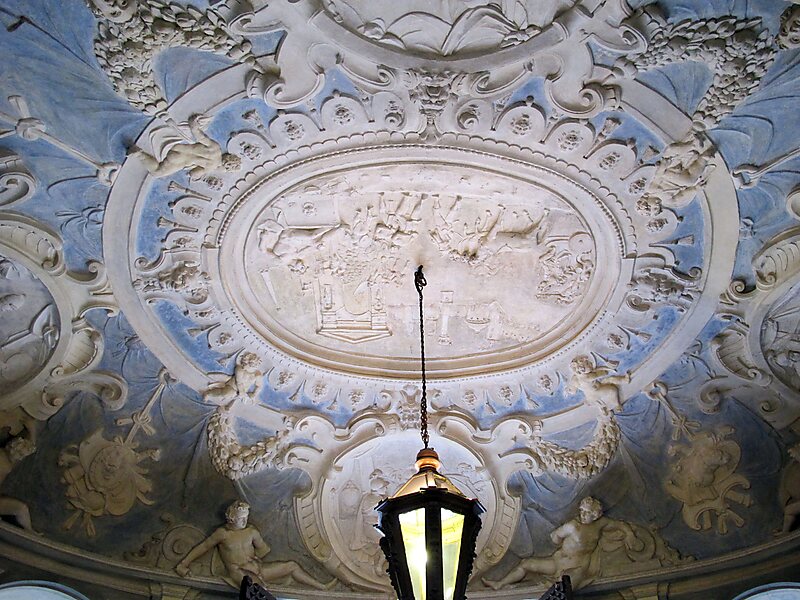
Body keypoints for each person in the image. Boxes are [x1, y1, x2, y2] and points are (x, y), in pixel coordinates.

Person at [482, 497, 643, 590]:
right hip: (558, 561)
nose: (583, 514)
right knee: (525, 564)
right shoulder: (572, 526)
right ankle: (500, 584)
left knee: (562, 586)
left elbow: (619, 524)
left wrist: (629, 534)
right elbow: (555, 537)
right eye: (582, 511)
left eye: (587, 512)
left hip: (578, 567)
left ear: (596, 515)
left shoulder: (600, 524)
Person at [176, 501, 335, 590]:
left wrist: (255, 559)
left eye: (246, 518)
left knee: (291, 565)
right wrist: (183, 564)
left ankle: (321, 586)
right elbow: (203, 547)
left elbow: (264, 549)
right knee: (257, 588)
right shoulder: (223, 533)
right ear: (231, 518)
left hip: (257, 568)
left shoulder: (251, 531)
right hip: (238, 572)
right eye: (241, 518)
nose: (244, 521)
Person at [131, 114, 241, 180]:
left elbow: (201, 137)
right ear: (226, 167)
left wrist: (194, 127)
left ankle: (139, 153)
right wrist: (194, 176)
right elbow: (193, 173)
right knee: (157, 172)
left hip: (177, 147)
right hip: (179, 160)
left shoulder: (215, 148)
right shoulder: (210, 167)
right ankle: (139, 154)